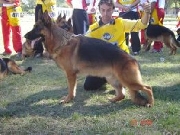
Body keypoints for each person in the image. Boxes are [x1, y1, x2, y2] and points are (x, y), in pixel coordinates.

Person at [83, 0, 151, 90]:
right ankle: (108, 78)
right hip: (103, 64)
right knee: (89, 86)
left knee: (129, 81)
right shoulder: (93, 29)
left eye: (108, 10)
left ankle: (118, 78)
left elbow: (142, 24)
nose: (106, 13)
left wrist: (147, 12)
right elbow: (82, 44)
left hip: (121, 62)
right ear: (99, 10)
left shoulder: (121, 22)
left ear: (113, 10)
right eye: (103, 10)